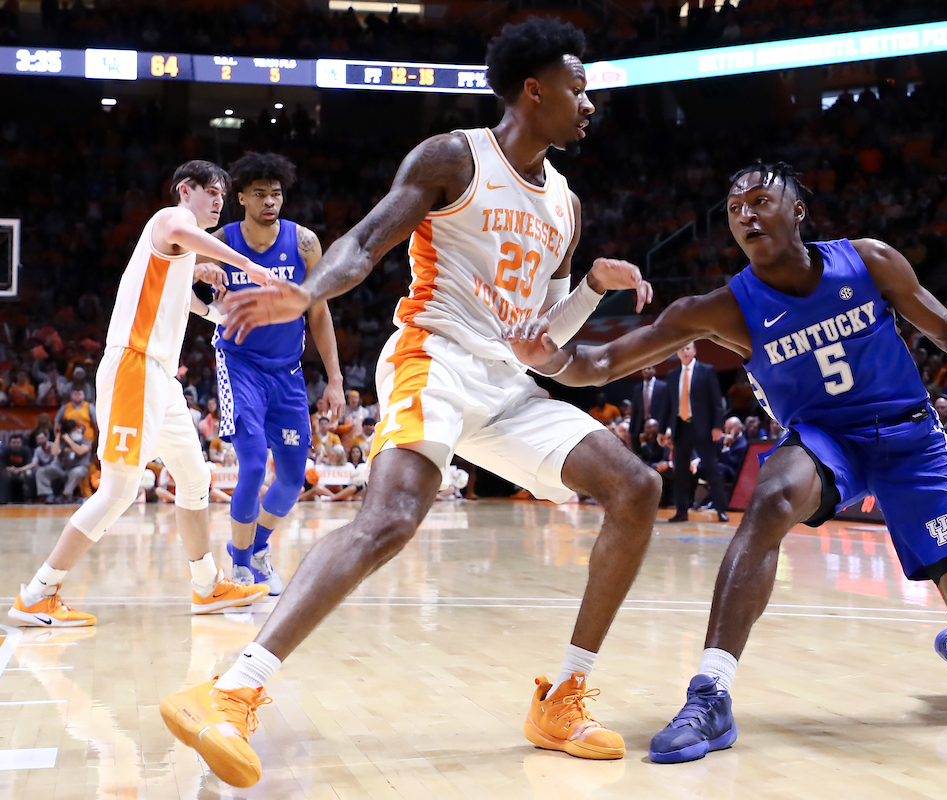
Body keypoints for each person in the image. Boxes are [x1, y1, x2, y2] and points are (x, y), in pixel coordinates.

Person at [161, 19, 659, 787]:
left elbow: (548, 339)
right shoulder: (455, 157)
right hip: (436, 358)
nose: (589, 103)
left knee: (636, 487)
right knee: (390, 519)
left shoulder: (567, 205)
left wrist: (591, 290)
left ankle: (562, 698)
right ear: (534, 90)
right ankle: (231, 691)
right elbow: (364, 244)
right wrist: (307, 292)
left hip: (505, 384)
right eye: (577, 88)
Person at [507, 160, 947, 764]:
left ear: (797, 210)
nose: (745, 214)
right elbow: (603, 363)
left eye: (760, 201)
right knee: (771, 497)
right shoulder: (722, 308)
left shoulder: (869, 261)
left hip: (912, 442)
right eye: (734, 208)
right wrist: (551, 360)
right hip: (826, 440)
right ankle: (710, 693)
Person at [7, 160, 276, 629]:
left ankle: (207, 586)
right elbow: (182, 232)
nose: (219, 201)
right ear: (185, 190)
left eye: (222, 194)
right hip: (135, 366)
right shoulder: (171, 219)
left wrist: (220, 311)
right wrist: (248, 265)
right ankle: (37, 594)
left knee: (194, 478)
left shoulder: (180, 254)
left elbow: (184, 301)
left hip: (161, 380)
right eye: (212, 191)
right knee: (119, 490)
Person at [209, 152, 344, 596]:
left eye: (277, 193)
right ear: (242, 198)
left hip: (288, 372)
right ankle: (239, 568)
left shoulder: (304, 243)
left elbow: (319, 313)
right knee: (251, 466)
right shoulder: (221, 242)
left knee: (291, 479)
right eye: (260, 194)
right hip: (239, 365)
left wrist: (335, 380)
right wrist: (206, 295)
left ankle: (256, 550)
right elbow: (180, 282)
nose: (270, 201)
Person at [664, 342, 728, 522]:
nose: (684, 351)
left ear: (694, 351)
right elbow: (668, 404)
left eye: (688, 348)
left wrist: (717, 426)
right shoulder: (672, 375)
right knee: (680, 472)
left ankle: (721, 509)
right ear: (677, 353)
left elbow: (716, 402)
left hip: (703, 428)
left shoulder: (706, 371)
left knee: (712, 469)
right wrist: (662, 430)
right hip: (681, 427)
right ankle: (681, 511)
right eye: (681, 349)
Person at [39, 418, 91, 504]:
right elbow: (54, 452)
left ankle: (66, 495)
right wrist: (58, 435)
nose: (78, 431)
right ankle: (47, 495)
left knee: (77, 471)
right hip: (63, 470)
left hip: (79, 469)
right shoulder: (63, 441)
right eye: (74, 430)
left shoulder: (85, 441)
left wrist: (68, 440)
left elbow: (80, 451)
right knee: (42, 471)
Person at [630, 365, 669, 448]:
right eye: (644, 369)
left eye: (649, 368)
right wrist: (631, 429)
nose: (646, 371)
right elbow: (635, 410)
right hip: (641, 424)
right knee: (638, 450)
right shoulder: (637, 388)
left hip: (657, 424)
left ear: (654, 370)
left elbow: (667, 407)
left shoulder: (663, 386)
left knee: (657, 449)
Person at [1, 432, 35, 503]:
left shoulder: (26, 450)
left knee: (29, 474)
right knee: (3, 475)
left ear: (21, 443)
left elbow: (30, 465)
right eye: (13, 443)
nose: (16, 444)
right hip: (10, 471)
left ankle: (28, 498)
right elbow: (2, 465)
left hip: (22, 470)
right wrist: (9, 469)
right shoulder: (6, 451)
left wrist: (18, 470)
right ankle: (6, 499)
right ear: (9, 443)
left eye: (18, 442)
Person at [717, 416, 748, 488]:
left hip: (733, 473)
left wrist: (726, 446)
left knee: (718, 467)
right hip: (720, 468)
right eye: (726, 428)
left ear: (739, 429)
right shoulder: (722, 439)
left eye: (730, 428)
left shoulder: (743, 444)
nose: (727, 431)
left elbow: (732, 463)